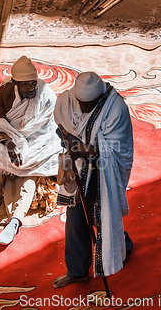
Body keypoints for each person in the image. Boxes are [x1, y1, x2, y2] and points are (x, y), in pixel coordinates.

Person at [52, 71, 134, 288]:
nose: (85, 108)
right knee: (76, 216)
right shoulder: (66, 101)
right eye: (82, 103)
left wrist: (81, 148)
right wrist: (69, 140)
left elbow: (116, 149)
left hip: (105, 168)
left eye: (91, 104)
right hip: (79, 166)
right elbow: (61, 124)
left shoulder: (116, 109)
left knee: (103, 214)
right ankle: (77, 270)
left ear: (99, 98)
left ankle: (122, 244)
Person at [0, 55, 63, 245]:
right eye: (25, 85)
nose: (31, 88)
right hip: (12, 135)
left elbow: (48, 130)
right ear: (15, 82)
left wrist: (24, 148)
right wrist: (9, 142)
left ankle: (16, 219)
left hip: (39, 141)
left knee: (27, 169)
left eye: (33, 83)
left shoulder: (46, 94)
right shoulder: (6, 90)